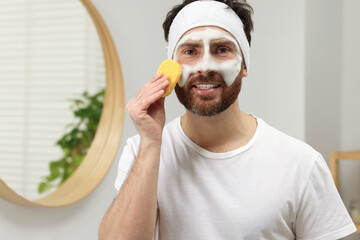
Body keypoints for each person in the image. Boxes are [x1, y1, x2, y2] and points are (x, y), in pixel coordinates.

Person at [99, 0, 357, 239]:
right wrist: (151, 142)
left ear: (244, 65)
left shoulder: (301, 163)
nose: (205, 67)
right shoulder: (143, 150)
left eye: (222, 49)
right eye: (190, 51)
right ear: (172, 67)